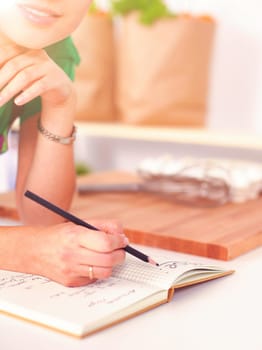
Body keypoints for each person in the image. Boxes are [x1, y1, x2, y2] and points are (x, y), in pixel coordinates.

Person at [0, 1, 128, 287]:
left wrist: (61, 107)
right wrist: (25, 250)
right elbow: (38, 241)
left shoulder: (52, 49)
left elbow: (42, 218)